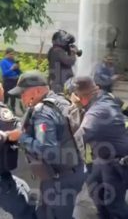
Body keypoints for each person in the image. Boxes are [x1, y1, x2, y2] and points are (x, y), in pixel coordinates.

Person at [8, 72, 85, 219]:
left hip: (60, 180)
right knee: (46, 213)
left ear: (37, 91)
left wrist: (21, 137)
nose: (21, 97)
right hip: (72, 171)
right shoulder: (59, 100)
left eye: (23, 93)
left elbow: (48, 151)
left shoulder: (43, 112)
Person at [73, 76, 128, 219]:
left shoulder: (97, 112)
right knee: (95, 187)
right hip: (104, 157)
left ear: (81, 97)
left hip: (119, 161)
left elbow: (78, 137)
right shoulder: (102, 98)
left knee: (113, 203)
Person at [0, 83, 36, 219]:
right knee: (25, 212)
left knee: (25, 188)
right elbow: (18, 129)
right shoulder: (2, 112)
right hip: (2, 179)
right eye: (2, 89)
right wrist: (31, 110)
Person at [0, 47, 22, 112]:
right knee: (6, 96)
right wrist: (11, 69)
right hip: (7, 81)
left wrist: (18, 68)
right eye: (10, 54)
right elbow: (4, 73)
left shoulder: (13, 62)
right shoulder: (3, 62)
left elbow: (19, 73)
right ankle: (3, 110)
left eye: (13, 54)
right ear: (6, 54)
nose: (12, 56)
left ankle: (13, 110)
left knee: (13, 96)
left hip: (14, 81)